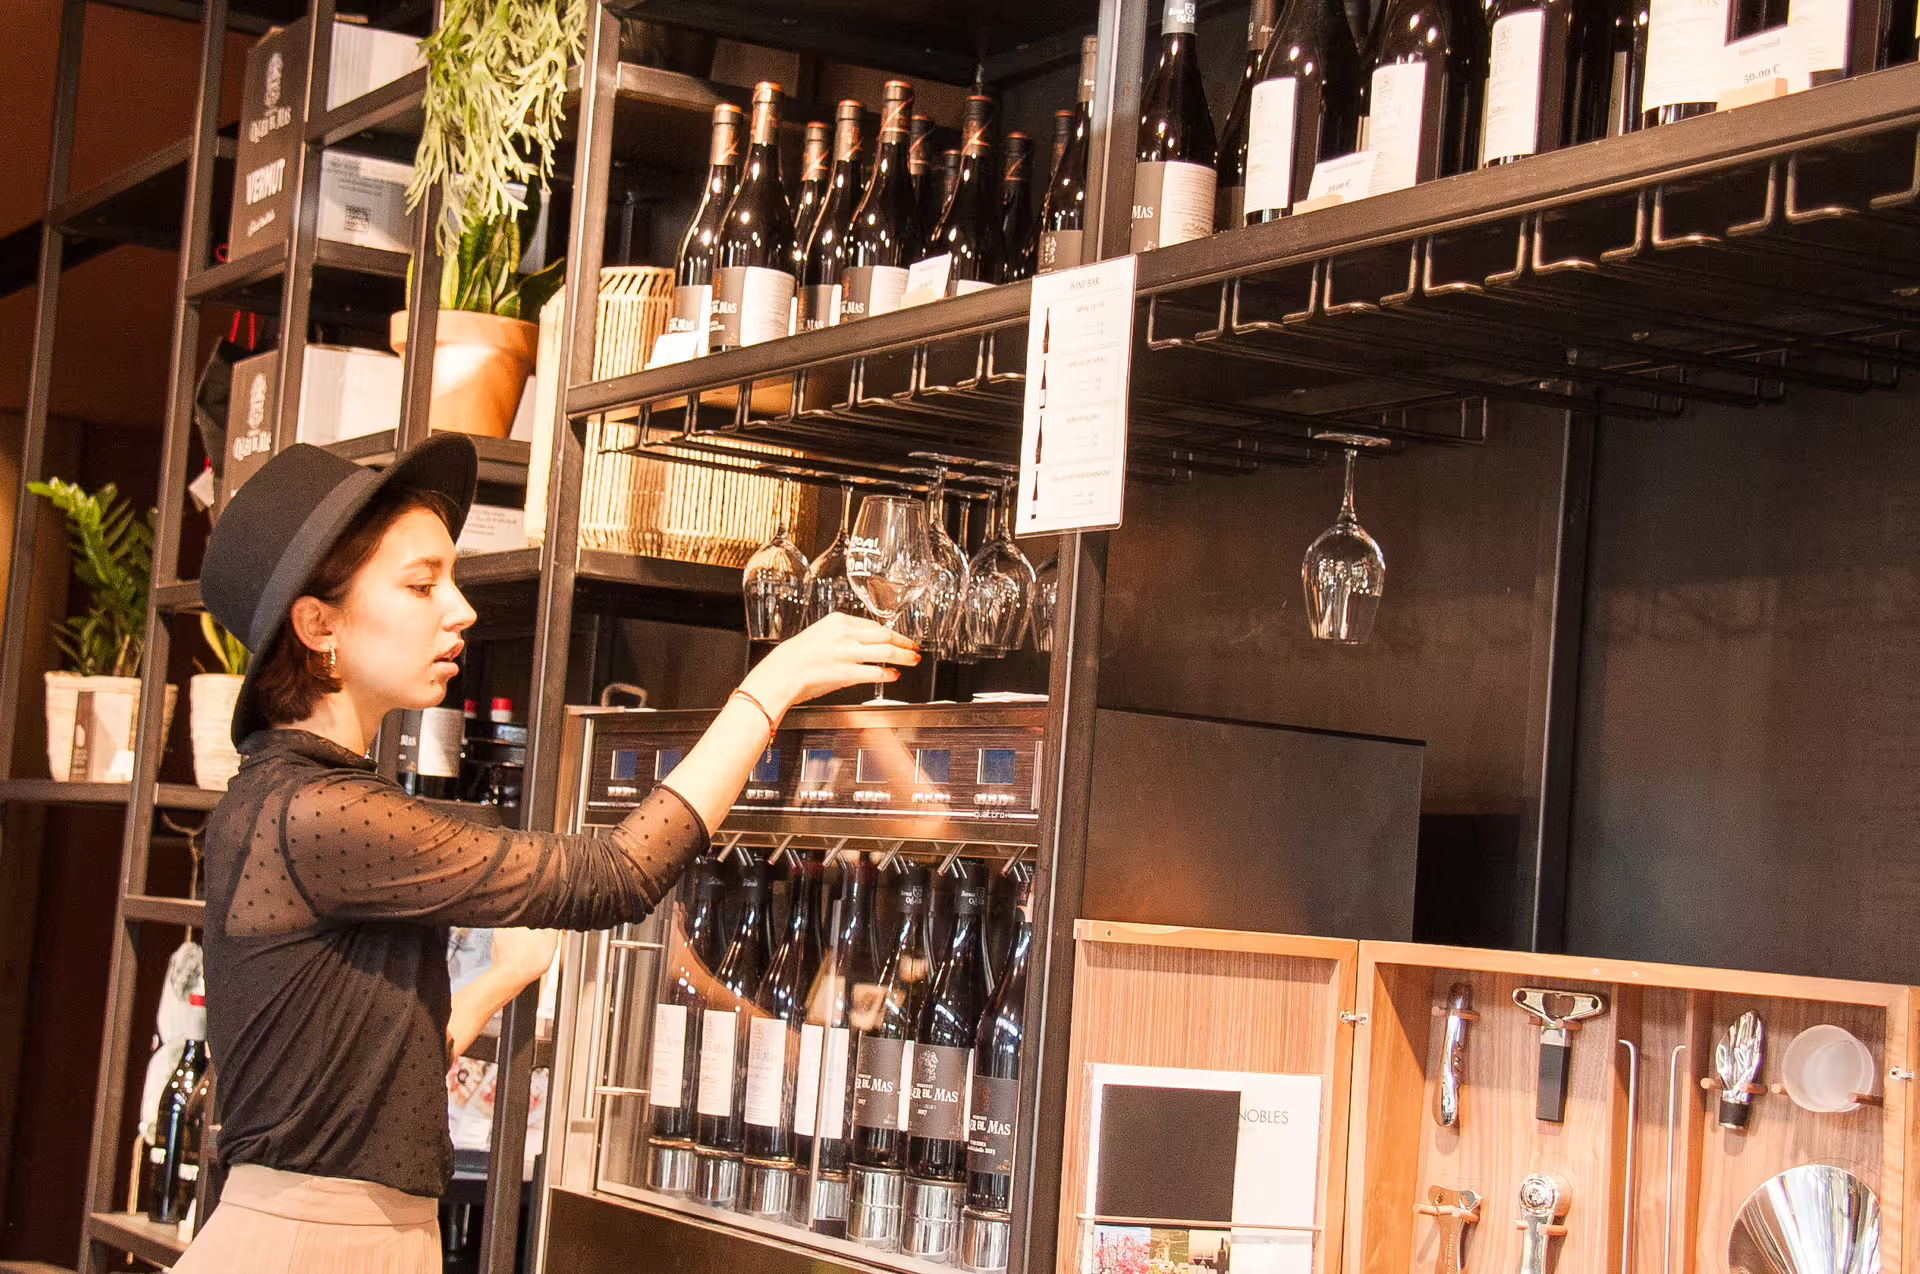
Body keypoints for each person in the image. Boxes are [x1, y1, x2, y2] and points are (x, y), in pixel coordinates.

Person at [176, 435, 915, 1272]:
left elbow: (346, 1078)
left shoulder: (283, 799)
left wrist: (495, 983)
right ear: (319, 626)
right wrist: (770, 685)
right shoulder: (320, 812)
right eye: (422, 585)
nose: (460, 609)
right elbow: (619, 874)